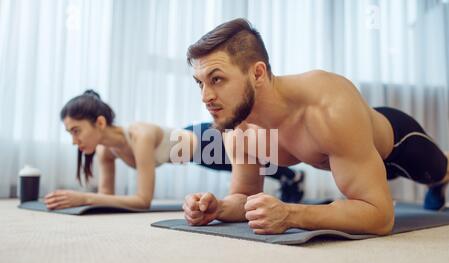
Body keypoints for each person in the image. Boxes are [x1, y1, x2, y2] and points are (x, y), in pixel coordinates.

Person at [182, 18, 449, 236]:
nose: (205, 96)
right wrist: (218, 208)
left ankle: (438, 183)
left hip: (398, 145)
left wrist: (291, 214)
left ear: (258, 73)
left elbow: (380, 216)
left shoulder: (329, 107)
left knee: (440, 173)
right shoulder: (237, 128)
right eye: (200, 83)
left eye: (216, 79)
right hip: (354, 158)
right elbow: (244, 196)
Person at [44, 90, 305, 210]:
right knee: (251, 166)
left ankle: (295, 172)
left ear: (99, 123)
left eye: (76, 131)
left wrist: (83, 198)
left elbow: (141, 201)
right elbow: (106, 197)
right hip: (194, 155)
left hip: (205, 139)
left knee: (266, 154)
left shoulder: (139, 135)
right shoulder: (105, 152)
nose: (73, 141)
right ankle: (289, 178)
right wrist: (86, 199)